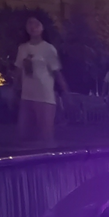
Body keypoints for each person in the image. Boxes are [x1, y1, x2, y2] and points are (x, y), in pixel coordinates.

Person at [14, 16, 68, 144]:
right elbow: (18, 71)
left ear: (42, 28)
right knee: (24, 136)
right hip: (27, 96)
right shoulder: (22, 48)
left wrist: (66, 92)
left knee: (45, 136)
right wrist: (14, 91)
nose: (33, 27)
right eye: (30, 23)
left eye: (36, 24)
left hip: (44, 97)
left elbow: (56, 72)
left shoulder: (48, 49)